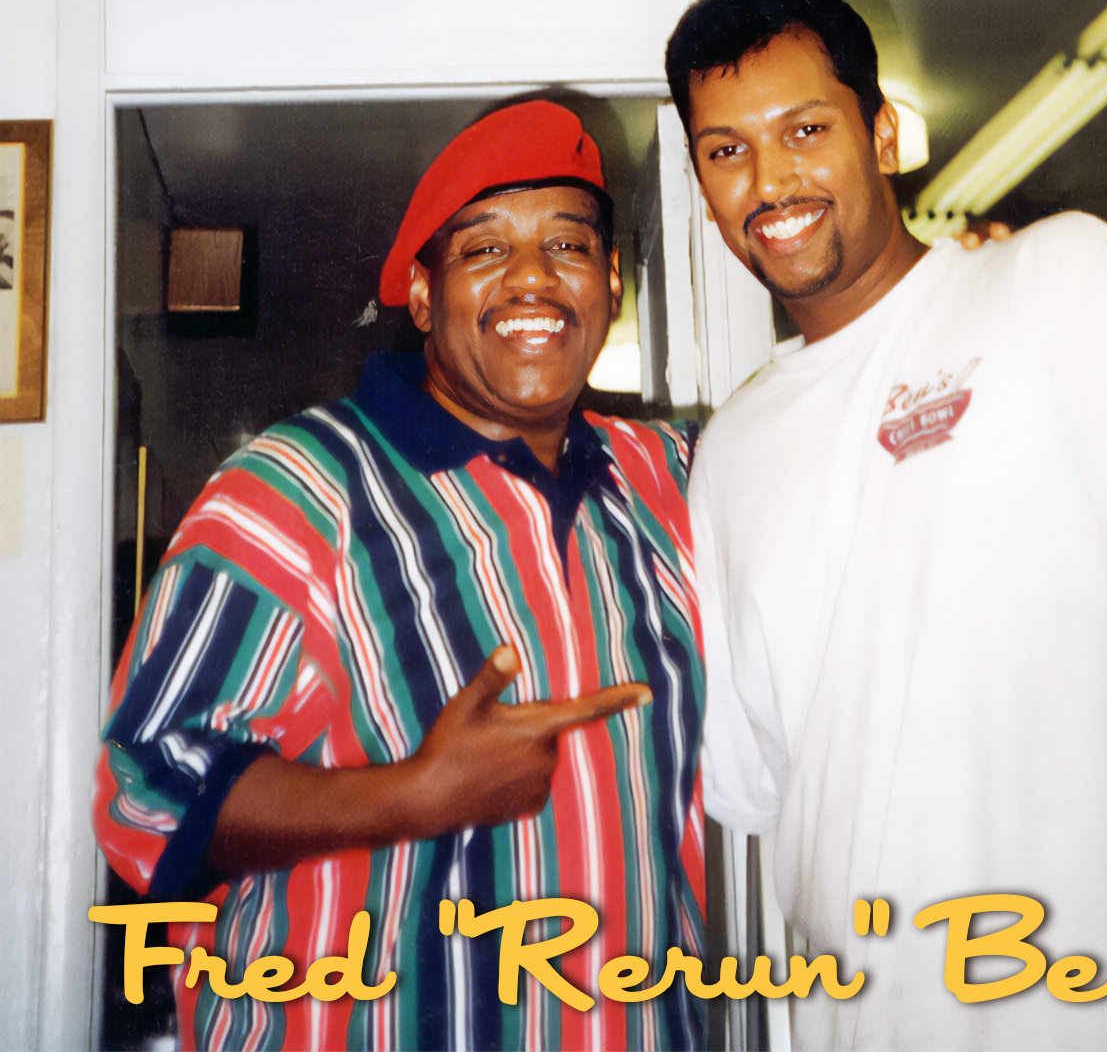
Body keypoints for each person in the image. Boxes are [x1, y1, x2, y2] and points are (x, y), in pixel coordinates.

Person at [666, 0, 1107, 1052]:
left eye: (804, 129)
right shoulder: (730, 452)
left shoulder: (1058, 280)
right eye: (725, 149)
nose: (769, 176)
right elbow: (787, 793)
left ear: (882, 134)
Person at [94, 100, 705, 1052]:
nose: (533, 280)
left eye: (568, 246)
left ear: (612, 281)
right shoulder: (297, 488)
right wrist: (413, 795)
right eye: (484, 250)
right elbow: (145, 794)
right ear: (422, 298)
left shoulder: (666, 479)